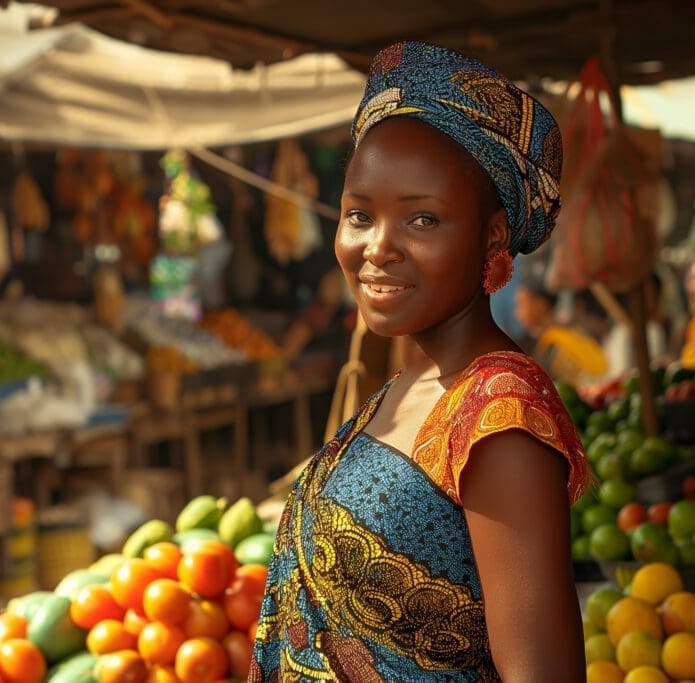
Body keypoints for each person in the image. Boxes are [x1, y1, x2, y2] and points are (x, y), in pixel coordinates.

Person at [251, 42, 589, 681]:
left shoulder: (499, 420)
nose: (378, 248)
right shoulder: (407, 385)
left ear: (491, 238)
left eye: (423, 219)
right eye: (359, 215)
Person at [514, 263, 608, 387]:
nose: (517, 313)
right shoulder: (570, 332)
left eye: (522, 304)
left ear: (540, 305)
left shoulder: (553, 347)